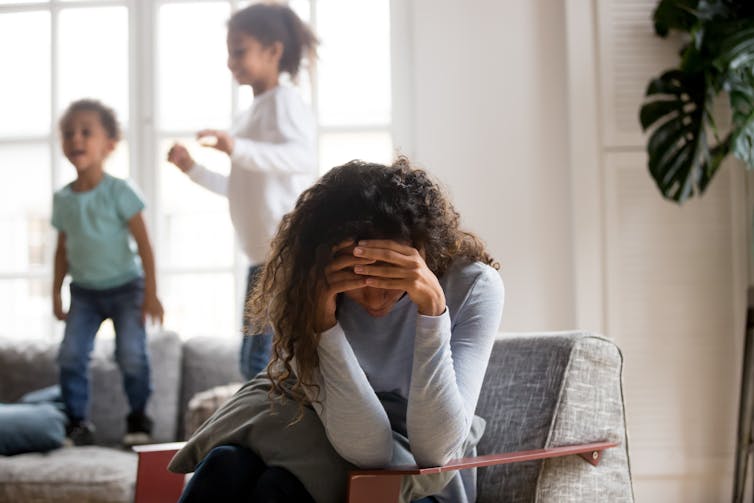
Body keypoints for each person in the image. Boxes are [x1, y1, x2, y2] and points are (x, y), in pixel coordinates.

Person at [168, 158, 505, 503]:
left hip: (423, 482)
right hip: (327, 430)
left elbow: (435, 451)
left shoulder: (473, 286)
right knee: (227, 466)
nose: (374, 298)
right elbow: (368, 447)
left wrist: (433, 311)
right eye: (356, 277)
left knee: (278, 486)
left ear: (421, 250)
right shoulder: (305, 287)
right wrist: (322, 324)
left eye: (390, 274)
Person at [166, 2, 318, 380]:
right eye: (229, 54)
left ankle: (261, 432)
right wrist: (192, 169)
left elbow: (301, 157)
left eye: (239, 51)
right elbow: (236, 188)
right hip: (260, 256)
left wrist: (236, 147)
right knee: (251, 360)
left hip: (285, 252)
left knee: (260, 361)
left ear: (273, 51)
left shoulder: (284, 101)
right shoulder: (248, 115)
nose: (231, 62)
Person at [52, 99, 164, 447]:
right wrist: (56, 292)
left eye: (86, 132)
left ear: (109, 145)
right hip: (84, 292)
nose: (76, 139)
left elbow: (145, 245)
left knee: (131, 354)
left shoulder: (120, 191)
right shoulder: (63, 200)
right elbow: (61, 251)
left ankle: (138, 417)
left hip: (127, 288)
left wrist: (151, 293)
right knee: (70, 355)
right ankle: (76, 422)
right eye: (69, 133)